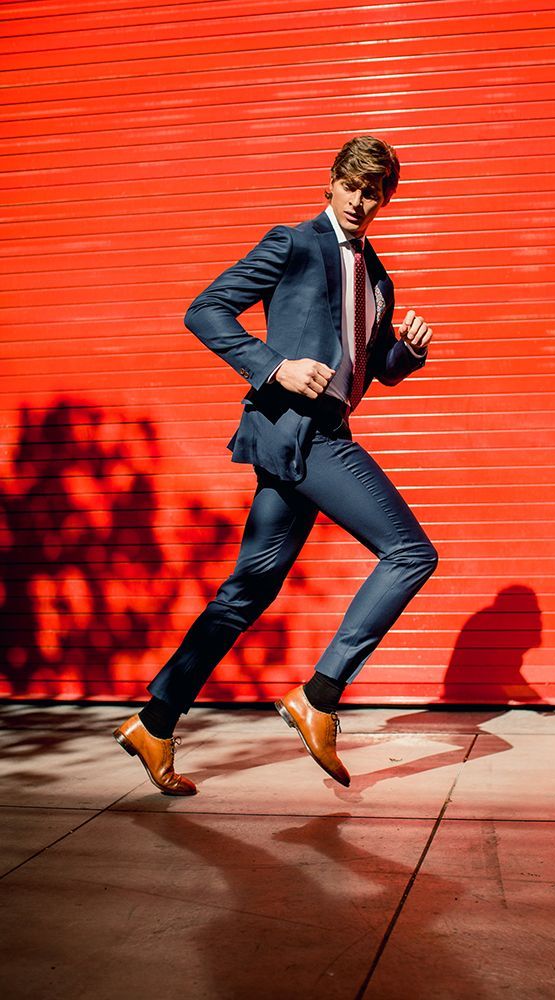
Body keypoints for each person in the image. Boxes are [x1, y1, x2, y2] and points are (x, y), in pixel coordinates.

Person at [113, 135, 438, 795]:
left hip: (321, 431)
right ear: (331, 183)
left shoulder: (377, 275)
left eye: (372, 191)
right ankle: (318, 696)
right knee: (409, 553)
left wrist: (406, 353)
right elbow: (204, 310)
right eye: (350, 185)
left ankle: (154, 721)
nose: (359, 200)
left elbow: (374, 368)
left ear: (384, 199)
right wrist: (274, 367)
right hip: (301, 432)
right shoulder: (292, 243)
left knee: (245, 593)